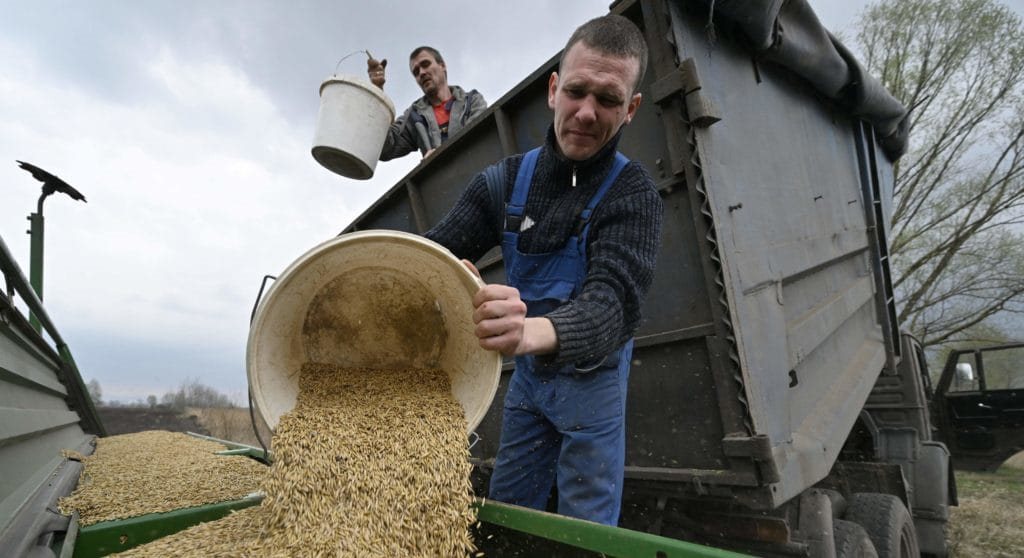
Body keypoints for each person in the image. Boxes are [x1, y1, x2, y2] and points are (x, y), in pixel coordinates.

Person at [423, 14, 662, 526]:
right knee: (510, 517)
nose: (587, 113)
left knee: (583, 533)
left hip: (594, 391)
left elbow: (612, 306)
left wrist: (528, 329)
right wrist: (443, 273)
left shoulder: (633, 195)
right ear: (554, 89)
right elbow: (424, 256)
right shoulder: (504, 184)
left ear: (632, 109)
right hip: (530, 388)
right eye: (577, 91)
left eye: (609, 99)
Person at [366, 46, 487, 160]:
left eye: (425, 64)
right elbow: (385, 149)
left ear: (442, 66)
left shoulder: (472, 101)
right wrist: (377, 90)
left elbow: (478, 138)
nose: (422, 73)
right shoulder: (414, 116)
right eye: (416, 72)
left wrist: (438, 155)